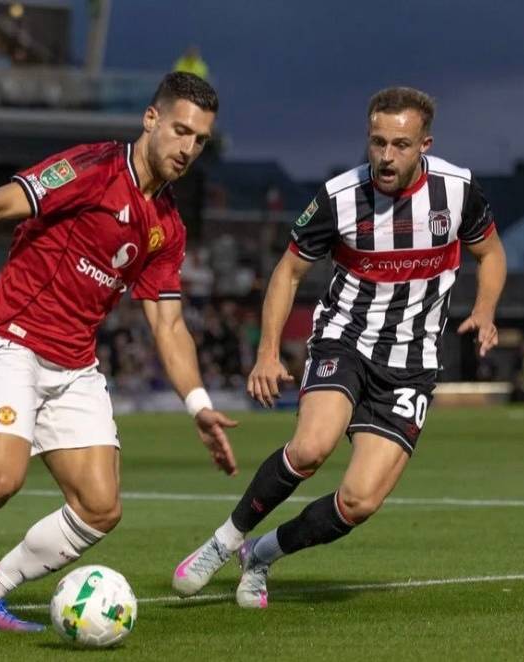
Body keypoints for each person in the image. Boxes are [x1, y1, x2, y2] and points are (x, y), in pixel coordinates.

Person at [0, 72, 237, 644]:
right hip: (13, 339)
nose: (188, 148)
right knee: (0, 478)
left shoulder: (167, 226)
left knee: (100, 508)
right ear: (151, 119)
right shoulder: (92, 168)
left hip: (74, 364)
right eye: (181, 131)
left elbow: (169, 324)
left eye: (200, 140)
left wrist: (198, 404)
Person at [172, 86, 507, 608]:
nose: (386, 156)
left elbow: (491, 253)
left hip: (412, 365)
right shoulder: (339, 197)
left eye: (400, 145)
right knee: (310, 448)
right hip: (345, 339)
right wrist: (267, 352)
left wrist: (484, 310)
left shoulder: (458, 190)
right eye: (377, 142)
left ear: (425, 145)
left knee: (359, 501)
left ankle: (262, 554)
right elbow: (288, 271)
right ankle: (224, 541)